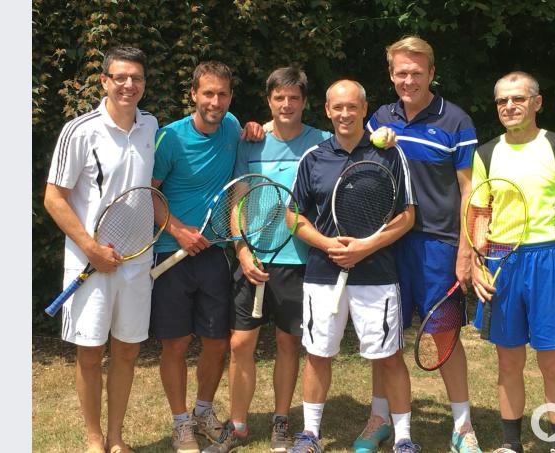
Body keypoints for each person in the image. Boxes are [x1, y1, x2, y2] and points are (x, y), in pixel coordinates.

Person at [360, 36, 482, 453]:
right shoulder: (379, 118)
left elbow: (470, 191)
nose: (407, 80)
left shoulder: (456, 121)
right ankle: (379, 418)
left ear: (431, 72)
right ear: (391, 74)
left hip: (438, 244)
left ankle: (462, 427)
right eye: (400, 72)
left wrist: (467, 250)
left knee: (444, 335)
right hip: (387, 243)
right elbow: (342, 145)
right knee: (385, 337)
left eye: (416, 72)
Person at [202, 67, 331, 453]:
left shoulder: (322, 142)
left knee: (289, 343)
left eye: (294, 98)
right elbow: (237, 198)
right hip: (252, 259)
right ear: (269, 100)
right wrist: (241, 250)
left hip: (300, 260)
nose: (286, 105)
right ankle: (238, 425)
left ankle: (280, 421)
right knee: (240, 343)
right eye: (279, 98)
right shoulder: (249, 142)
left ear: (305, 102)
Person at [288, 79, 418, 453]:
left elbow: (407, 215)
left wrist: (366, 247)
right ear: (327, 111)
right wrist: (328, 244)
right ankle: (310, 434)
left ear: (364, 110)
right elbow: (293, 216)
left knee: (389, 356)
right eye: (337, 107)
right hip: (323, 274)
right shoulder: (312, 157)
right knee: (317, 354)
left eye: (352, 107)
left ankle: (404, 437)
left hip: (376, 273)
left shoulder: (390, 154)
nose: (345, 114)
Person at [43, 46, 158, 453]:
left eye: (137, 78)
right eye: (121, 77)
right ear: (105, 81)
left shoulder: (150, 126)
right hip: (89, 263)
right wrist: (91, 248)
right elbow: (53, 197)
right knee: (90, 355)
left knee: (127, 352)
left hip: (135, 263)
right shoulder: (80, 130)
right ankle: (94, 439)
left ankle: (117, 438)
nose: (129, 85)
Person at [471, 71, 555, 453]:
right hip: (502, 260)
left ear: (536, 102)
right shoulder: (486, 153)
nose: (509, 106)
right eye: (503, 101)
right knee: (508, 362)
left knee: (552, 363)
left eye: (518, 98)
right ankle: (511, 444)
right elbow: (479, 212)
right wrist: (478, 261)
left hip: (551, 256)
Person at [149, 60, 264, 453]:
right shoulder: (170, 139)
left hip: (215, 255)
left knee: (217, 344)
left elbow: (252, 133)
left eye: (223, 94)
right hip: (171, 254)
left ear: (230, 97)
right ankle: (181, 424)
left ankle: (202, 412)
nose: (215, 101)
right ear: (194, 94)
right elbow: (149, 193)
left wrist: (253, 125)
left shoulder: (233, 126)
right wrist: (178, 229)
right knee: (176, 344)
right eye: (208, 93)